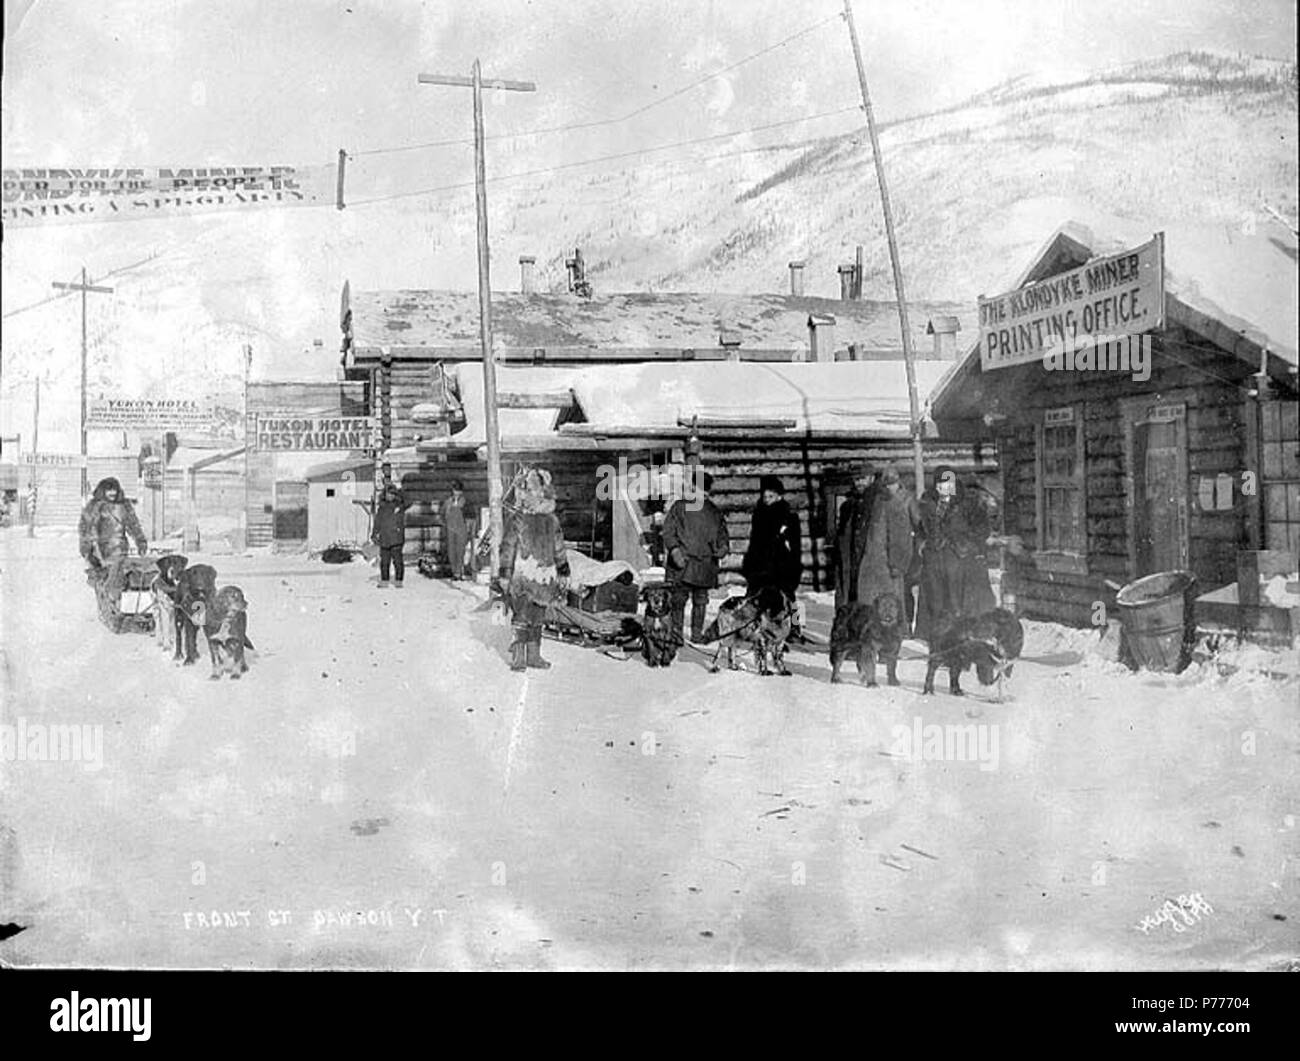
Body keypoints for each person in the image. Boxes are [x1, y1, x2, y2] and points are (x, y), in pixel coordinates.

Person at [914, 466, 997, 644]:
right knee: (937, 604)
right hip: (935, 562)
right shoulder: (928, 502)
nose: (945, 488)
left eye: (948, 484)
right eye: (941, 485)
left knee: (958, 604)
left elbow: (982, 529)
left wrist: (965, 544)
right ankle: (938, 643)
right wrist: (921, 543)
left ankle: (959, 641)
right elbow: (921, 528)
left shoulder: (969, 502)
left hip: (961, 562)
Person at [498, 466, 570, 671]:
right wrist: (504, 573)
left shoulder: (551, 520)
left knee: (538, 617)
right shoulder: (518, 519)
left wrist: (564, 570)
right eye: (531, 491)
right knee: (521, 615)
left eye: (539, 491)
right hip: (522, 575)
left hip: (544, 575)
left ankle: (534, 655)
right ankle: (519, 657)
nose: (536, 494)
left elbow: (559, 547)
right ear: (525, 494)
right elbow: (508, 547)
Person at [662, 469, 729, 644]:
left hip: (704, 564)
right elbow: (668, 531)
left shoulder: (714, 512)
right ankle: (676, 634)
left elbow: (723, 536)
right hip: (682, 562)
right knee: (678, 600)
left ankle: (696, 634)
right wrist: (675, 550)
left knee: (701, 601)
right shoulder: (680, 507)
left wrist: (722, 549)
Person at [78, 476, 148, 628]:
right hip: (99, 552)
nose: (112, 493)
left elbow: (133, 525)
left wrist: (140, 541)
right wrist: (87, 550)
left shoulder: (124, 506)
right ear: (102, 491)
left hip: (119, 551)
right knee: (104, 584)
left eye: (114, 489)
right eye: (108, 490)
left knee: (121, 581)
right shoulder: (93, 507)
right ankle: (108, 612)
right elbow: (85, 530)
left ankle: (120, 610)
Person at [741, 475, 802, 597]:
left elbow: (795, 545)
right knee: (754, 599)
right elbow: (754, 541)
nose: (767, 500)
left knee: (787, 597)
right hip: (760, 565)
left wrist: (794, 566)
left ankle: (795, 617)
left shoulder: (789, 517)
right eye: (765, 497)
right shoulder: (759, 516)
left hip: (781, 566)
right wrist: (749, 562)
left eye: (771, 496)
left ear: (779, 497)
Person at [833, 463, 876, 611]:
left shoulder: (877, 502)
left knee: (867, 604)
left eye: (862, 479)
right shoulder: (847, 506)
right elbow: (843, 535)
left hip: (870, 561)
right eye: (856, 479)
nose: (859, 483)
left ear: (871, 478)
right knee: (849, 602)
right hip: (850, 562)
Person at [372, 477, 410, 588]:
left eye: (393, 494)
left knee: (397, 561)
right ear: (385, 495)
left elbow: (408, 501)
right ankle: (384, 580)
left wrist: (400, 493)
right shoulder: (381, 508)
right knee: (384, 562)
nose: (390, 496)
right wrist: (374, 533)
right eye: (388, 494)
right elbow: (377, 522)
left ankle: (398, 580)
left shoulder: (400, 506)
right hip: (384, 538)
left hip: (396, 538)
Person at [442, 479, 471, 580]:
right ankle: (454, 572)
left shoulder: (466, 502)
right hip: (450, 528)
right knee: (451, 551)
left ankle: (459, 572)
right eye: (455, 490)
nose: (456, 492)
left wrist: (468, 528)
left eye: (458, 490)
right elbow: (443, 515)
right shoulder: (448, 502)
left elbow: (469, 516)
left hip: (461, 529)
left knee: (460, 551)